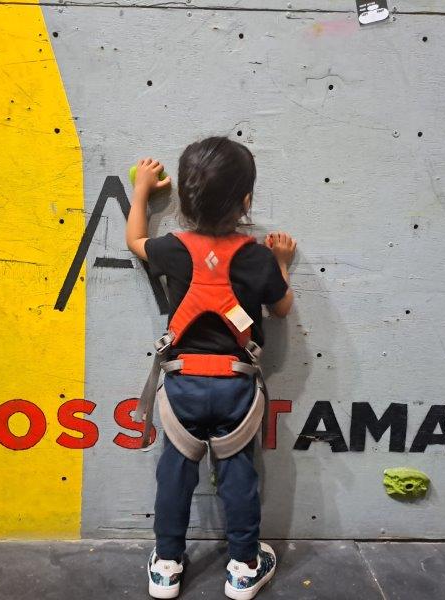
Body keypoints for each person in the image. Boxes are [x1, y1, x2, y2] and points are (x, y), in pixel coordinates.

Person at [125, 136, 296, 600]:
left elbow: (135, 240)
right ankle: (243, 567)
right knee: (239, 475)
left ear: (184, 200)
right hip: (235, 387)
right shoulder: (256, 257)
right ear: (246, 201)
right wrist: (281, 263)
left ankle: (166, 566)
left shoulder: (173, 249)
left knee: (174, 474)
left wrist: (141, 190)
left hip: (182, 385)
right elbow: (281, 308)